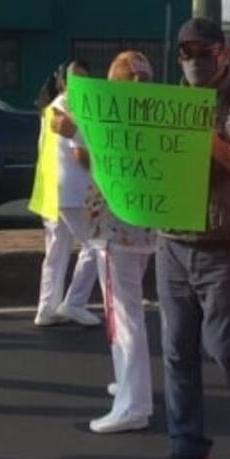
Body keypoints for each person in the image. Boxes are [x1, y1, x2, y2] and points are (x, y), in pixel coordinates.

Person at [147, 17, 230, 459]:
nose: (195, 60)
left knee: (225, 346)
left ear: (223, 52)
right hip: (171, 242)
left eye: (204, 51)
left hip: (226, 245)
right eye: (187, 52)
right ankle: (189, 448)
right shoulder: (164, 103)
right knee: (176, 350)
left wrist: (209, 142)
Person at [71, 51, 158, 434]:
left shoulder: (109, 118)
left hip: (113, 228)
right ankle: (127, 384)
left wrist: (74, 134)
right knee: (127, 313)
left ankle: (133, 404)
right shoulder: (153, 115)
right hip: (143, 226)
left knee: (123, 317)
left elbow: (90, 158)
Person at [33, 61, 101, 327]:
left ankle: (46, 308)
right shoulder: (71, 108)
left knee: (56, 251)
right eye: (76, 78)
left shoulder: (50, 108)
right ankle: (75, 302)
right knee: (95, 245)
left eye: (85, 77)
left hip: (53, 191)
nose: (81, 83)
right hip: (75, 191)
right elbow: (79, 153)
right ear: (62, 83)